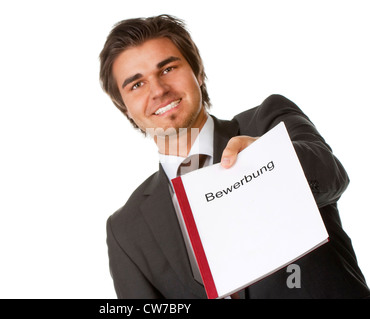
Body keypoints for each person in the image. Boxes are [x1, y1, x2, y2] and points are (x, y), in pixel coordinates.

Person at [99, 14, 369, 299]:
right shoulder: (126, 229)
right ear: (123, 105)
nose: (158, 90)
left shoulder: (268, 121)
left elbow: (332, 178)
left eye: (167, 68)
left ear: (198, 71)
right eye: (136, 84)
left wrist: (272, 160)